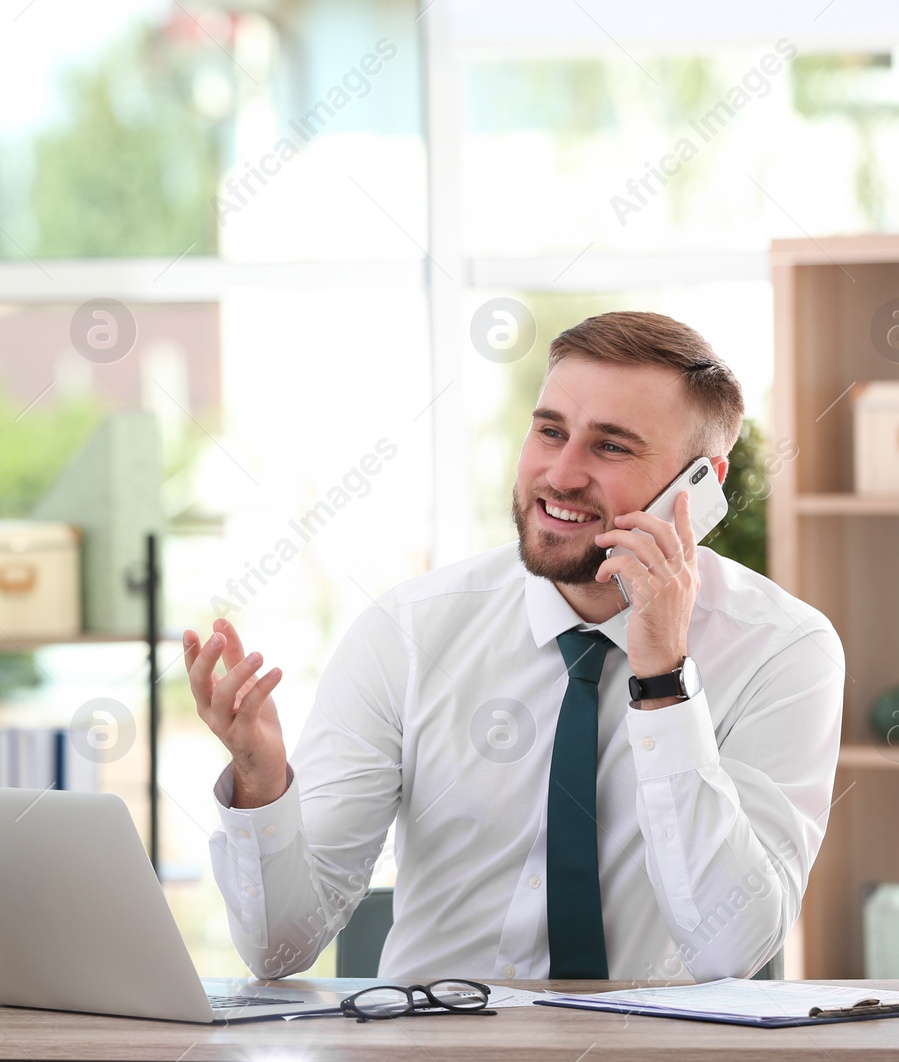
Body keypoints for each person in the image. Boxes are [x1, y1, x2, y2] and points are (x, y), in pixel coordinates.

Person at [182, 311, 843, 982]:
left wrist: (663, 679)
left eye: (610, 447)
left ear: (702, 483)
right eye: (551, 431)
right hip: (434, 1053)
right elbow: (280, 950)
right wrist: (261, 784)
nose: (561, 474)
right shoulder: (409, 633)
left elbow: (732, 949)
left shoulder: (783, 651)